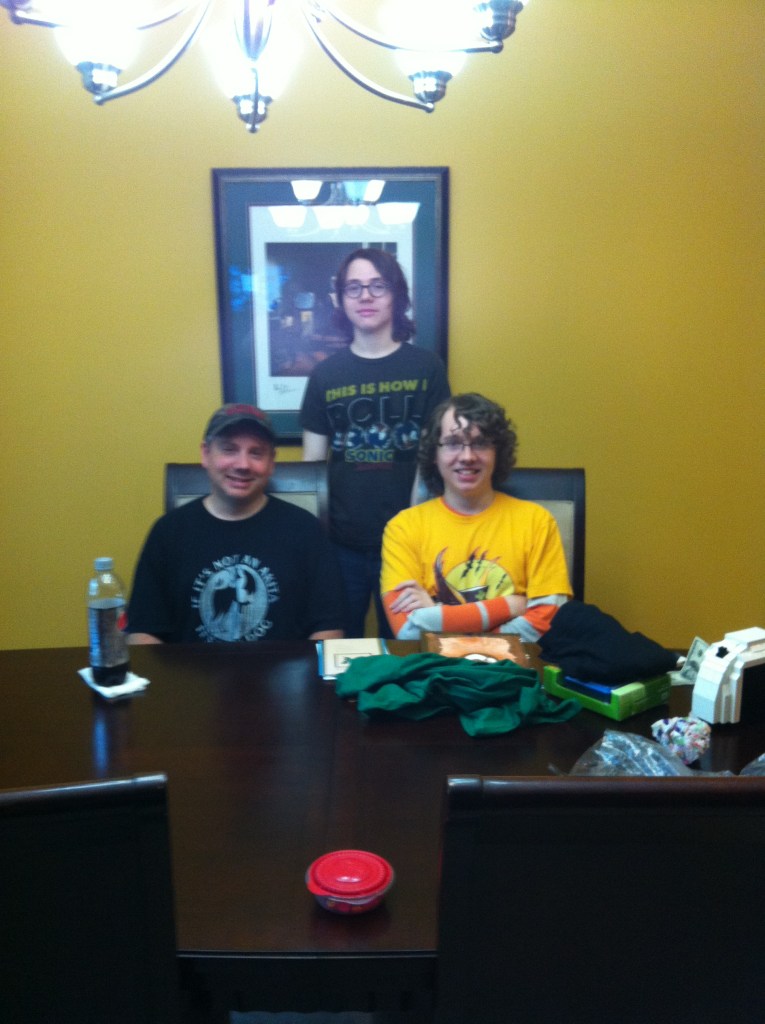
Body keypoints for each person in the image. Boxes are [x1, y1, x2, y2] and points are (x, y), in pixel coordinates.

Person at [300, 247, 450, 638]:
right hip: (339, 545)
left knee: (407, 648)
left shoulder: (427, 368)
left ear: (396, 295)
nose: (365, 296)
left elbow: (434, 458)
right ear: (340, 299)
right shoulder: (324, 375)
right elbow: (311, 468)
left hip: (408, 543)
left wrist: (412, 533)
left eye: (377, 286)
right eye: (354, 287)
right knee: (338, 648)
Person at [128, 404, 345, 644]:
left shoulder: (306, 530)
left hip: (286, 669)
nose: (243, 464)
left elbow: (329, 628)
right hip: (190, 668)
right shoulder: (167, 532)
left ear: (271, 462)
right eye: (229, 449)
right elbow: (143, 631)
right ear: (206, 454)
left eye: (256, 453)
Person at [381, 393, 572, 641]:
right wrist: (511, 606)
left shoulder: (537, 522)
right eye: (453, 443)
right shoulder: (403, 528)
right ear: (434, 454)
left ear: (497, 452)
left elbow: (548, 618)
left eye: (480, 443)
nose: (467, 456)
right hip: (435, 666)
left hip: (516, 664)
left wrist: (435, 613)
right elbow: (408, 632)